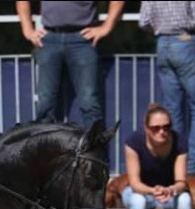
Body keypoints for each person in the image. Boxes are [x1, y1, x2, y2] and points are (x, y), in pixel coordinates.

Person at [15, 1, 125, 129]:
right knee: (45, 102)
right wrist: (27, 29)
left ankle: (92, 147)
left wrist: (107, 27)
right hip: (49, 38)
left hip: (83, 38)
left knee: (89, 102)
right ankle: (46, 146)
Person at [139, 1, 195, 175]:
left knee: (173, 109)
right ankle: (194, 164)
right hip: (186, 41)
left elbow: (144, 21)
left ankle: (175, 162)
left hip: (162, 44)